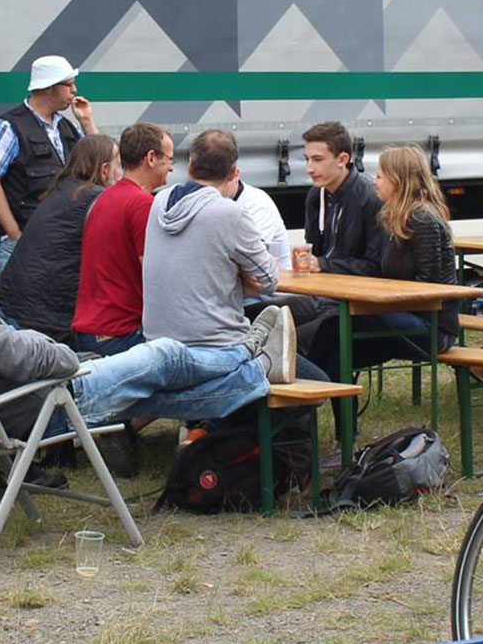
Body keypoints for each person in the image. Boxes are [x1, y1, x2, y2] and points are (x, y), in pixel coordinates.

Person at [0, 229, 294, 446]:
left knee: (157, 395)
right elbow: (59, 361)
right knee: (163, 356)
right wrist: (54, 348)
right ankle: (246, 352)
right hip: (56, 404)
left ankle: (257, 370)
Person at [140, 129, 298, 472]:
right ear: (233, 173)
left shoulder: (157, 203)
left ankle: (207, 436)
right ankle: (227, 449)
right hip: (217, 347)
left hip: (157, 340)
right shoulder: (230, 213)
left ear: (190, 163)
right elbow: (269, 278)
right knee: (310, 381)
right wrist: (239, 277)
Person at [308, 144, 459, 381]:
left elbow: (429, 290)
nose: (374, 182)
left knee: (335, 327)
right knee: (336, 345)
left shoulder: (423, 218)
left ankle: (302, 404)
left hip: (433, 328)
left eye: (379, 176)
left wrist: (377, 305)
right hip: (405, 317)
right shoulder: (394, 216)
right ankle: (315, 406)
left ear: (398, 180)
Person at [0, 54, 98, 269]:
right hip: (21, 244)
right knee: (21, 303)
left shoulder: (67, 127)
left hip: (57, 242)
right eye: (68, 84)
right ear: (50, 88)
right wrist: (14, 234)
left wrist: (87, 121)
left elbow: (101, 162)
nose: (74, 90)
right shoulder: (9, 126)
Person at [0, 133, 118, 341]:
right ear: (105, 170)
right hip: (46, 319)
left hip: (14, 306)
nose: (121, 173)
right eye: (120, 165)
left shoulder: (64, 188)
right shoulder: (95, 199)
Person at [72, 121, 174, 355]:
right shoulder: (143, 204)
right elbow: (155, 276)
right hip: (121, 335)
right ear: (151, 158)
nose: (170, 167)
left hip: (90, 331)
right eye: (169, 159)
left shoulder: (103, 198)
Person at [300, 119, 383, 276]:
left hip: (357, 294)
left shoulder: (370, 197)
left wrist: (324, 264)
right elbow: (314, 251)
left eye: (317, 160)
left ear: (342, 159)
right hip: (323, 289)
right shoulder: (315, 195)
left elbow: (375, 266)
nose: (309, 169)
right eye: (306, 159)